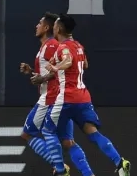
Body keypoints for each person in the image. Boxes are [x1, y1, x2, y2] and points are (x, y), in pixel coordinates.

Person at [42, 14, 131, 176]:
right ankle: (120, 162)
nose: (53, 28)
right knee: (93, 133)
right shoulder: (78, 46)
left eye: (55, 26)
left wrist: (56, 67)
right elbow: (84, 64)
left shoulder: (63, 47)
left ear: (60, 28)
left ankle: (61, 170)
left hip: (66, 99)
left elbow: (68, 61)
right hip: (83, 98)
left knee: (49, 131)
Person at [20, 12, 93, 176]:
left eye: (39, 23)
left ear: (47, 27)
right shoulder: (45, 47)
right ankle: (87, 173)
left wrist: (42, 77)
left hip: (51, 98)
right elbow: (46, 75)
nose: (36, 26)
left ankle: (60, 168)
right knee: (68, 142)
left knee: (28, 134)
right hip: (59, 97)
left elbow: (60, 70)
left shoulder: (52, 45)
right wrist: (31, 72)